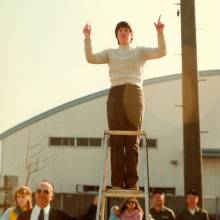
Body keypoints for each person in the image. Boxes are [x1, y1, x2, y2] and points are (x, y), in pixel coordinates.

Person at [83, 16, 166, 190]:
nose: (123, 32)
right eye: (120, 30)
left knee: (131, 140)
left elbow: (161, 52)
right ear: (116, 35)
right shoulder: (110, 53)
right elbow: (90, 58)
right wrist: (87, 37)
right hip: (116, 92)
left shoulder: (140, 51)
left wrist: (160, 33)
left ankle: (132, 182)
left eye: (126, 30)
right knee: (116, 139)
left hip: (134, 92)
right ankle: (117, 183)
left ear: (131, 35)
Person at [17, 180, 97, 220]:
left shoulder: (59, 216)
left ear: (52, 197)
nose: (42, 194)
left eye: (46, 192)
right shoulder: (23, 217)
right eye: (39, 191)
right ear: (35, 195)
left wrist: (94, 205)